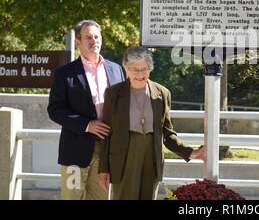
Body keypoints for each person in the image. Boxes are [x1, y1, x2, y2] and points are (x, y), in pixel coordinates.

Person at [98, 46, 205, 200]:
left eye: (144, 69)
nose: (140, 74)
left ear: (150, 69)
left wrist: (189, 152)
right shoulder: (113, 93)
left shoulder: (162, 93)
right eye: (134, 69)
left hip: (152, 155)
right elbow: (106, 133)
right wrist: (104, 169)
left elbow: (167, 132)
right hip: (123, 156)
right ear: (126, 69)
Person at [48, 20, 125, 200]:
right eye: (88, 37)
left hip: (107, 151)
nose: (94, 41)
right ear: (78, 42)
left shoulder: (116, 70)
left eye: (96, 36)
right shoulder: (64, 73)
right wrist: (87, 125)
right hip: (75, 151)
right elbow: (55, 109)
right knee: (72, 197)